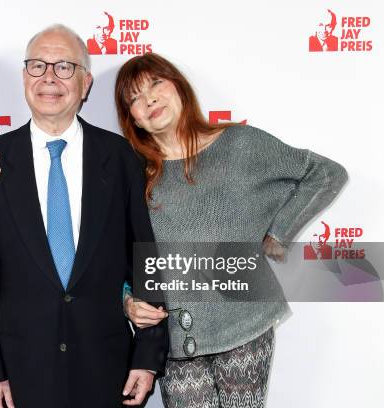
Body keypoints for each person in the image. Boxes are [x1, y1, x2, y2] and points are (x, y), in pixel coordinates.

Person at [114, 53, 347, 408]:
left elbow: (326, 174)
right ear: (132, 119)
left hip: (245, 322)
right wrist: (128, 298)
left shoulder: (242, 144)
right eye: (134, 98)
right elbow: (111, 250)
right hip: (177, 336)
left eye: (156, 84)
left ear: (178, 86)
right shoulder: (130, 172)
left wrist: (280, 233)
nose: (149, 100)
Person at [0, 25, 168, 408]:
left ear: (85, 83)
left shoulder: (121, 158)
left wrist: (147, 358)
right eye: (37, 66)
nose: (49, 77)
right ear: (24, 77)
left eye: (64, 67)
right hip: (22, 371)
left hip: (108, 369)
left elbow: (144, 258)